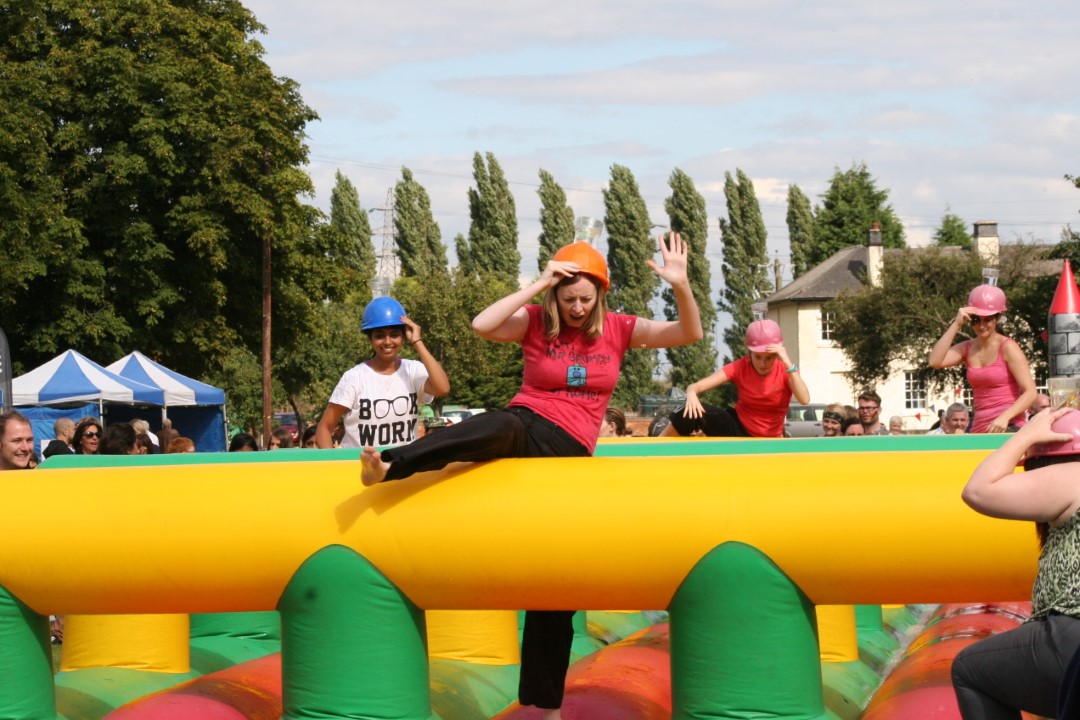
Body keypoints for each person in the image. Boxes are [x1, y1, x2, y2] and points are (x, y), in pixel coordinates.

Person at [356, 233, 702, 718]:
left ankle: (547, 707)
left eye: (586, 298)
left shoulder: (621, 328)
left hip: (570, 453)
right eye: (568, 298)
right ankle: (393, 465)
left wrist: (681, 286)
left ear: (600, 295)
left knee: (556, 580)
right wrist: (538, 283)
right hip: (526, 424)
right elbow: (482, 324)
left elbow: (689, 335)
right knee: (497, 422)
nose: (578, 307)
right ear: (555, 296)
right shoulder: (537, 321)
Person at [951, 406, 1080, 719]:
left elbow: (978, 491)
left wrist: (1026, 434)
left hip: (1073, 635)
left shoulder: (1072, 474)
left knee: (971, 670)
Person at [316, 296, 451, 450]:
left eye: (394, 334)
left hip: (401, 466)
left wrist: (417, 341)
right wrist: (336, 467)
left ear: (403, 336)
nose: (387, 342)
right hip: (361, 469)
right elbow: (324, 428)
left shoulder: (413, 370)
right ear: (370, 339)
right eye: (379, 335)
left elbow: (443, 388)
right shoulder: (354, 377)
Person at [663, 317, 809, 438]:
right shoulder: (740, 366)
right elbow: (696, 386)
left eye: (769, 358)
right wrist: (691, 393)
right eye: (758, 357)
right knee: (687, 411)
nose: (763, 363)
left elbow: (804, 399)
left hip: (768, 437)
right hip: (738, 428)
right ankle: (654, 447)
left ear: (777, 354)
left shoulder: (787, 370)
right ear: (749, 352)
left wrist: (789, 363)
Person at [929, 282, 1036, 433]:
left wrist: (1005, 417)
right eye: (976, 320)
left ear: (997, 318)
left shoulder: (1008, 347)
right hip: (980, 427)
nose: (981, 325)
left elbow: (1031, 392)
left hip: (1009, 424)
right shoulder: (966, 348)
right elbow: (934, 361)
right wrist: (956, 323)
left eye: (987, 319)